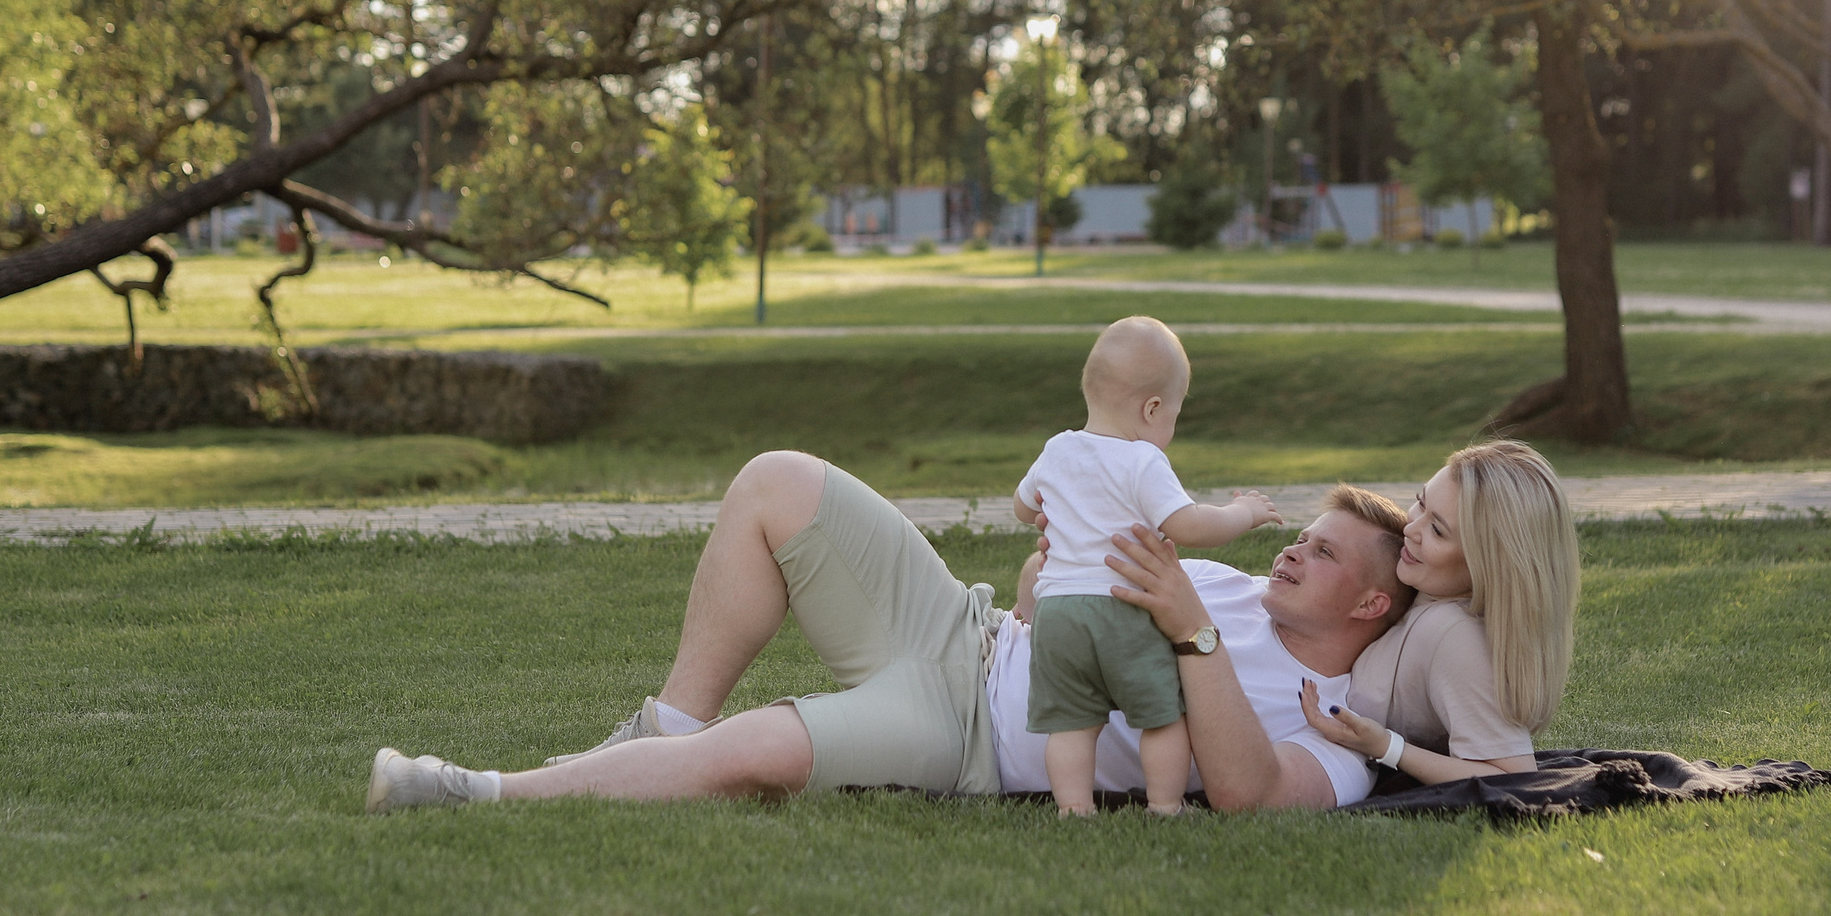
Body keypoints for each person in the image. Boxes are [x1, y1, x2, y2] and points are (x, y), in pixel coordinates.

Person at [364, 453, 1412, 813]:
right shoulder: (1227, 576)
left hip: (964, 734)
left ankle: (477, 790)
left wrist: (1189, 632)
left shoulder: (1340, 733)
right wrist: (1042, 578)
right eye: (1302, 537)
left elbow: (1249, 797)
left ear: (1370, 606)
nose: (1292, 555)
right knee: (777, 484)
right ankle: (660, 729)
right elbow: (1060, 606)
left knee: (763, 751)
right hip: (962, 625)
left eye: (1322, 556)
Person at [1015, 316, 1283, 815]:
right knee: (1162, 718)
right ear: (1153, 407)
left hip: (1056, 615)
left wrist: (1047, 513)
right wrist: (1241, 513)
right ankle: (1165, 806)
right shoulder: (1142, 460)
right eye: (1173, 416)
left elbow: (1024, 506)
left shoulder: (1057, 448)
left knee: (1071, 723)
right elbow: (1188, 525)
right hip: (1121, 609)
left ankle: (1073, 811)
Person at [1296, 440, 1579, 783]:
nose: (1410, 529)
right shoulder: (1423, 589)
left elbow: (1513, 777)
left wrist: (1387, 747)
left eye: (1438, 530)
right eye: (1420, 503)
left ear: (1486, 565)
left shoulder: (1454, 636)